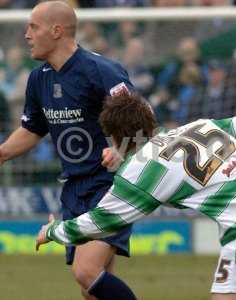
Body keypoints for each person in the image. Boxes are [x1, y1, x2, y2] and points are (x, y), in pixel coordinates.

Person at [36, 91, 236, 300]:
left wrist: (53, 231)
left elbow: (100, 221)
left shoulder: (139, 170)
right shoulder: (195, 127)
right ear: (149, 118)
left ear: (114, 138)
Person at [0, 2, 137, 300]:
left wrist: (119, 148)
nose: (26, 35)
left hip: (112, 184)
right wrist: (2, 153)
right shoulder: (39, 79)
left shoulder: (102, 71)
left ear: (57, 31)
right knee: (92, 290)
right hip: (75, 187)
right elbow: (33, 129)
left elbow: (141, 120)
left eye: (33, 27)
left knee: (85, 271)